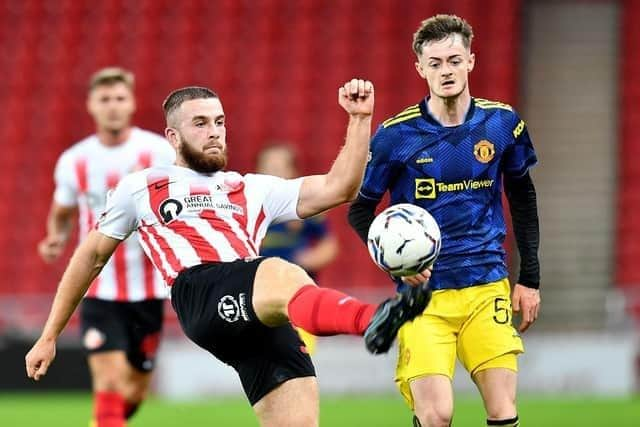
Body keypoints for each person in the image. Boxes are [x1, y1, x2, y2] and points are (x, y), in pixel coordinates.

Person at [26, 80, 431, 427]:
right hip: (201, 291)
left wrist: (359, 121)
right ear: (173, 137)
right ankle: (372, 319)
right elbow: (91, 256)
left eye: (219, 122)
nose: (214, 132)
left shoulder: (253, 187)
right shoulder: (142, 186)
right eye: (200, 124)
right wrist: (49, 336)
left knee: (300, 417)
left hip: (256, 311)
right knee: (279, 271)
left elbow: (338, 188)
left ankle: (369, 320)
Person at [348, 15, 541, 427]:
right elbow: (360, 211)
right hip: (425, 300)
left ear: (471, 60)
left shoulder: (502, 124)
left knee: (503, 410)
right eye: (435, 63)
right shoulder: (395, 136)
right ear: (420, 68)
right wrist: (395, 262)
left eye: (454, 60)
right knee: (437, 415)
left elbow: (522, 196)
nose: (446, 70)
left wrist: (530, 278)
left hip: (487, 285)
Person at [36, 67, 175, 426]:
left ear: (131, 104)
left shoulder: (158, 151)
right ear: (91, 106)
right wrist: (56, 236)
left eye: (119, 98)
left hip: (148, 288)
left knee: (135, 391)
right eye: (104, 99)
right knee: (109, 381)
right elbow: (62, 212)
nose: (112, 106)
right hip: (99, 287)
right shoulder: (74, 161)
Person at [257, 143, 339, 353]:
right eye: (267, 167)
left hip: (297, 288)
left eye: (278, 168)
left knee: (299, 351)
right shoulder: (252, 206)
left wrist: (308, 259)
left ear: (292, 172)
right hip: (262, 288)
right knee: (266, 351)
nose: (272, 173)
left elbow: (329, 245)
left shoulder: (303, 205)